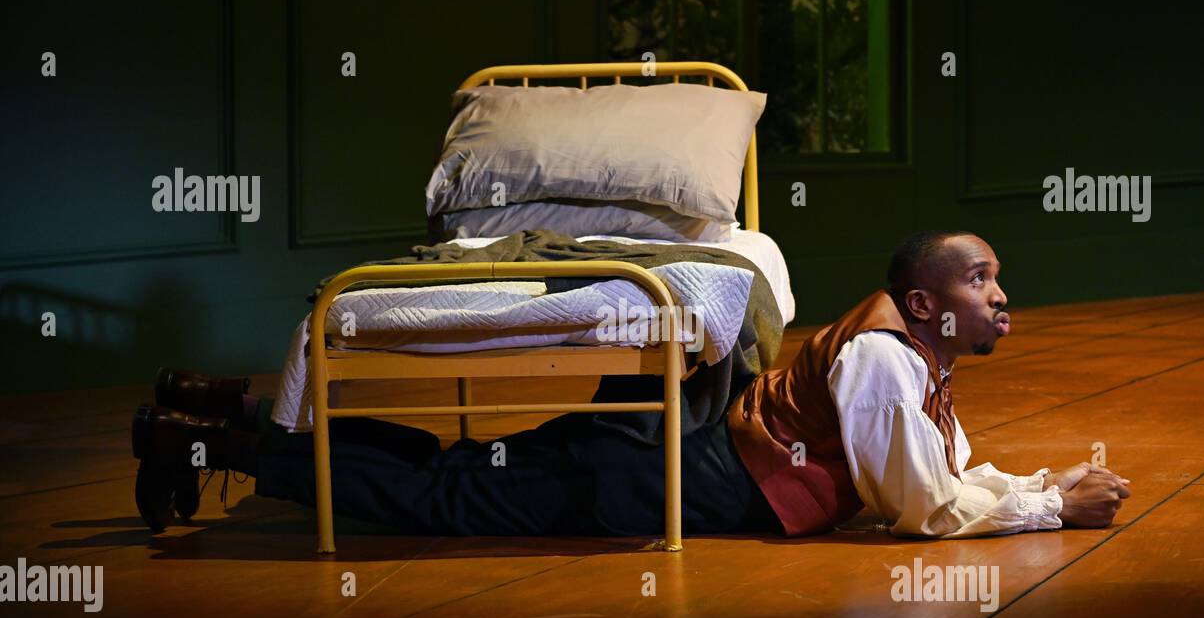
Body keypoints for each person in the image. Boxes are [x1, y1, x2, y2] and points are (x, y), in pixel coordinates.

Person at [129, 229, 1131, 540]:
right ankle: (215, 443)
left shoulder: (915, 357)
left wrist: (1029, 488)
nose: (1002, 294)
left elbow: (941, 469)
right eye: (980, 278)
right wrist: (1048, 507)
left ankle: (232, 415)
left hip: (676, 460)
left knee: (458, 464)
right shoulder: (880, 356)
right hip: (675, 479)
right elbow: (918, 506)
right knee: (449, 491)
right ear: (921, 300)